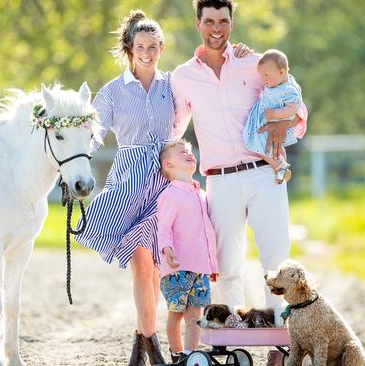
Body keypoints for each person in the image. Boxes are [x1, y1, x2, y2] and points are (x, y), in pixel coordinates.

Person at [74, 9, 250, 365]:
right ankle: (150, 339)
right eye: (141, 45)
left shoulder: (173, 84)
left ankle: (143, 340)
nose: (147, 52)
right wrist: (74, 168)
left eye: (154, 46)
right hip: (128, 183)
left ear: (161, 47)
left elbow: (205, 86)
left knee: (157, 267)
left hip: (166, 184)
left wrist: (240, 58)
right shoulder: (111, 92)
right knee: (141, 263)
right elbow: (90, 136)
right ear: (129, 47)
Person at [171, 0, 308, 311]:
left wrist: (285, 122)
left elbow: (296, 103)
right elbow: (174, 128)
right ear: (198, 24)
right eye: (209, 21)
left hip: (264, 172)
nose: (216, 28)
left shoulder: (256, 64)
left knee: (276, 260)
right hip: (220, 181)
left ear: (231, 24)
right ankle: (231, 330)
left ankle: (279, 341)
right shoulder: (183, 76)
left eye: (222, 21)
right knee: (227, 264)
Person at [156, 139, 218, 363]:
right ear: (168, 164)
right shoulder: (171, 194)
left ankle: (190, 356)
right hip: (177, 268)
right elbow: (163, 226)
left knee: (195, 315)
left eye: (190, 151)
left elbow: (207, 233)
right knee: (177, 313)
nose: (189, 154)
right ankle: (177, 355)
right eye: (182, 152)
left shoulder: (200, 194)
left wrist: (212, 265)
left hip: (199, 267)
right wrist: (166, 248)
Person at [243, 49, 303, 184]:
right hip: (267, 122)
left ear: (282, 72)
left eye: (266, 75)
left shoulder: (289, 89)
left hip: (273, 123)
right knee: (276, 147)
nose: (263, 80)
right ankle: (282, 167)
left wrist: (275, 114)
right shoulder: (277, 83)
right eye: (261, 76)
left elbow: (292, 109)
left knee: (257, 147)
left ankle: (280, 166)